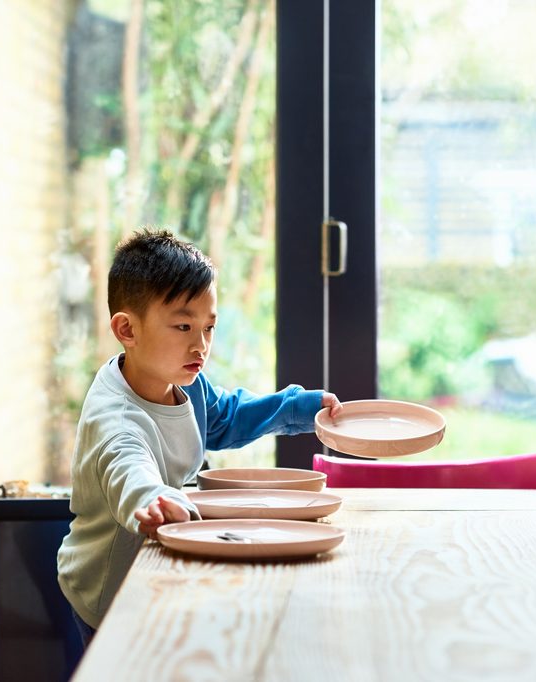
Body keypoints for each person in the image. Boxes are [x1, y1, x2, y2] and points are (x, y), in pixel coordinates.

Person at [57, 229, 342, 646]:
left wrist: (297, 408)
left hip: (158, 563)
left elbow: (225, 418)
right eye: (183, 326)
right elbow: (127, 469)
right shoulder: (116, 420)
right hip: (109, 589)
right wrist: (152, 499)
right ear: (127, 330)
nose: (201, 344)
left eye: (209, 327)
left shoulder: (183, 380)